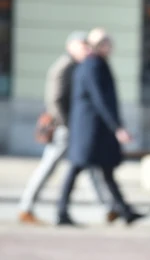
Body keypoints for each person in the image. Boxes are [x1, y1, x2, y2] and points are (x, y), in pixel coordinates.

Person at [18, 31, 115, 225]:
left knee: (89, 166)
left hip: (74, 127)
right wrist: (69, 126)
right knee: (49, 167)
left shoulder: (79, 66)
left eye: (87, 46)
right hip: (64, 128)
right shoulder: (64, 67)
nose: (86, 49)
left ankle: (109, 208)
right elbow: (55, 100)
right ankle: (26, 207)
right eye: (82, 46)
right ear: (71, 46)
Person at [57, 28, 145, 226]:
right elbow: (101, 99)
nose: (111, 48)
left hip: (91, 128)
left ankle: (125, 211)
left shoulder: (92, 64)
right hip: (91, 129)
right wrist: (117, 127)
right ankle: (62, 212)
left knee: (104, 170)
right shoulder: (94, 65)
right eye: (108, 44)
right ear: (101, 45)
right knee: (78, 168)